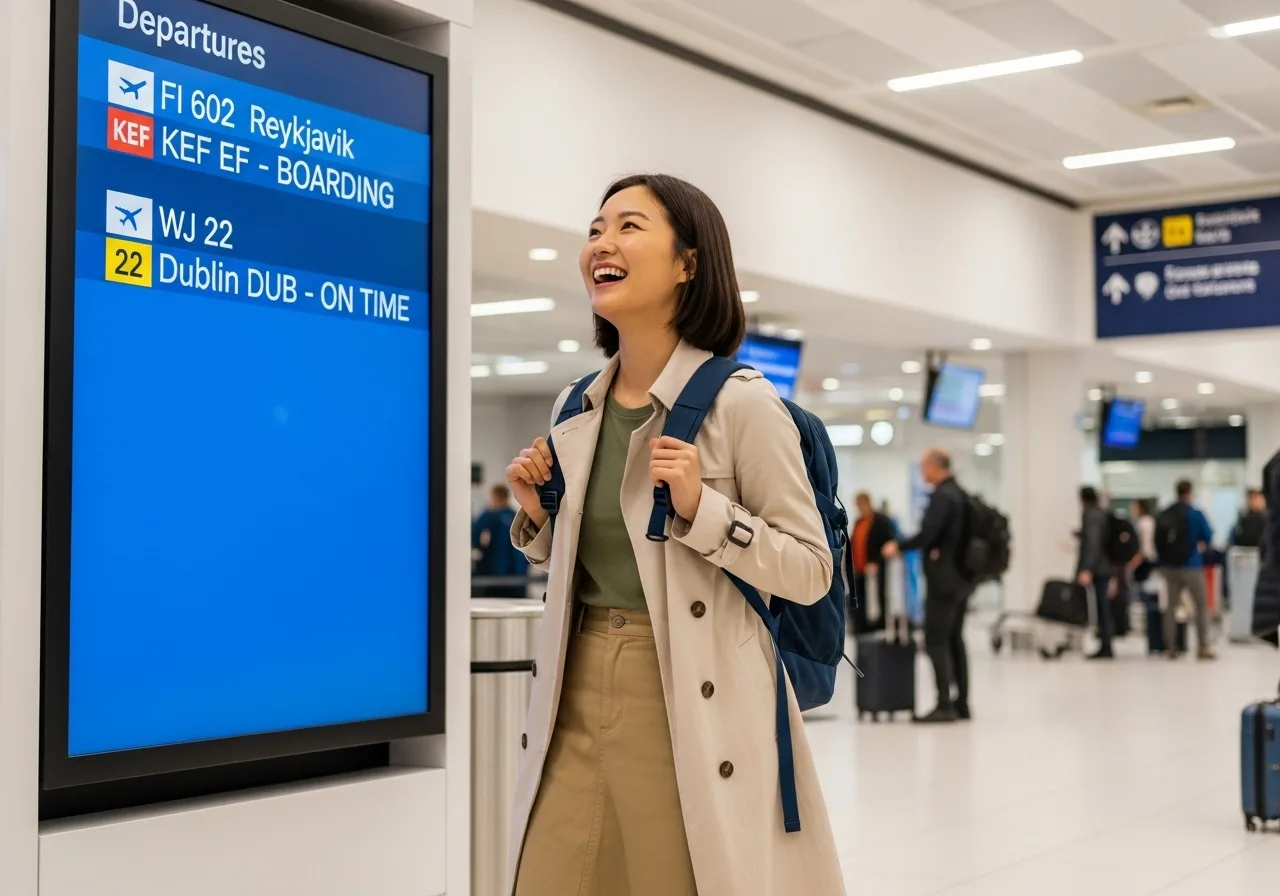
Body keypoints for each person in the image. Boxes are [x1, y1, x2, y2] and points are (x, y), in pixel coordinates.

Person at [503, 174, 845, 896]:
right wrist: (536, 516)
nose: (602, 242)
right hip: (573, 682)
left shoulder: (742, 404)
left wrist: (704, 512)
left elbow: (812, 568)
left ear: (689, 264)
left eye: (629, 227)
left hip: (688, 691)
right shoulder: (577, 404)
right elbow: (586, 555)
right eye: (596, 228)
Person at [884, 449, 970, 724]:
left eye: (924, 467)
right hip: (962, 579)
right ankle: (962, 704)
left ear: (935, 467)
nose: (922, 472)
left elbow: (927, 534)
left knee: (935, 641)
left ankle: (944, 704)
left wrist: (899, 545)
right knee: (955, 640)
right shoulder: (960, 493)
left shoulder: (942, 496)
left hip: (944, 581)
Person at [1158, 479, 1215, 661]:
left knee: (1171, 608)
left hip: (1170, 568)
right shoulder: (1194, 513)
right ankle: (1202, 647)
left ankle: (1170, 648)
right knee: (1200, 606)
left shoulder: (1166, 513)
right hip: (1191, 565)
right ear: (1190, 492)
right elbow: (1207, 535)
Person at [844, 491, 895, 633]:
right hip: (859, 569)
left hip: (875, 569)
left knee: (877, 599)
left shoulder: (881, 521)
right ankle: (861, 627)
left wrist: (876, 562)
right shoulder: (859, 522)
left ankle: (879, 627)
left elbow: (888, 543)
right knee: (859, 599)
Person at [1076, 486, 1117, 660]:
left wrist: (1087, 568)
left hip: (1099, 568)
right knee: (1102, 606)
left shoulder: (1090, 515)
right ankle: (1105, 643)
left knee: (1102, 607)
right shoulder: (1101, 513)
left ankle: (1106, 645)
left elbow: (1093, 543)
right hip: (1105, 565)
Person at [471, 484, 528, 597]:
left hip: (493, 573)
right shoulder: (516, 516)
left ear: (495, 497)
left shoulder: (488, 516)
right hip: (517, 573)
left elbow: (474, 538)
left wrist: (481, 548)